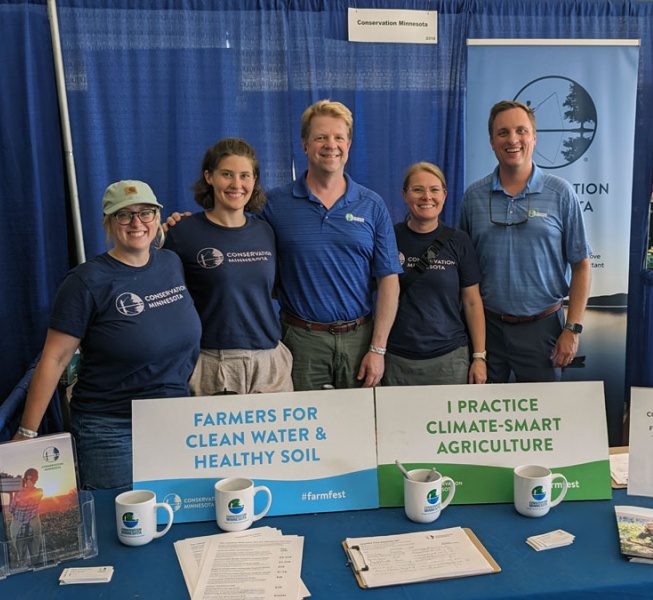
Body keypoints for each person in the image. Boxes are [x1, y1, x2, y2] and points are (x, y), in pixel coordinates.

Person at [14, 181, 201, 490]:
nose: (137, 223)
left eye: (145, 212)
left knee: (170, 515)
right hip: (111, 429)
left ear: (157, 216)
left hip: (172, 421)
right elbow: (54, 358)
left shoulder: (171, 263)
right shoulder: (85, 281)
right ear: (108, 222)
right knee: (115, 525)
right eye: (124, 215)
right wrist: (27, 434)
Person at [257, 100, 402, 391]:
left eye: (338, 137)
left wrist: (378, 349)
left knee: (359, 431)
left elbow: (388, 281)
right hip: (300, 341)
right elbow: (236, 236)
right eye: (320, 137)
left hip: (360, 341)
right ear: (305, 145)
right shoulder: (273, 204)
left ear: (348, 144)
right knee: (305, 432)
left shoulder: (372, 205)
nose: (330, 145)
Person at [458, 100, 591, 383]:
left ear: (534, 137)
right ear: (492, 141)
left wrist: (573, 328)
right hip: (486, 331)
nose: (513, 139)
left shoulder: (561, 193)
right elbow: (464, 271)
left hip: (543, 330)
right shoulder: (473, 197)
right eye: (503, 132)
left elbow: (582, 265)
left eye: (521, 130)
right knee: (483, 421)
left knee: (543, 420)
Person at [164, 138, 293, 395]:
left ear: (254, 180)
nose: (236, 185)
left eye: (245, 175)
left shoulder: (266, 231)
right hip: (212, 363)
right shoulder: (183, 232)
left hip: (269, 363)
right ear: (209, 177)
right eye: (227, 174)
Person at [383, 162, 487, 386]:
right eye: (418, 189)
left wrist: (479, 357)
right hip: (397, 358)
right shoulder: (389, 238)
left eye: (434, 189)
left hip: (449, 360)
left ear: (445, 195)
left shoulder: (459, 242)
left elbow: (472, 302)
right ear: (404, 195)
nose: (426, 196)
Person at [8, 468, 44, 566]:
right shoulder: (40, 492)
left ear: (25, 479)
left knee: (21, 557)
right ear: (36, 479)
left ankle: (24, 567)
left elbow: (11, 509)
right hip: (33, 529)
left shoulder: (19, 493)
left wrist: (12, 494)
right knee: (35, 554)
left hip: (19, 531)